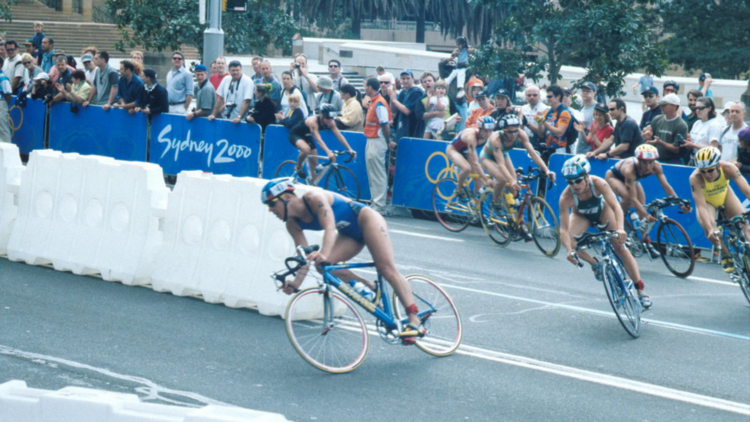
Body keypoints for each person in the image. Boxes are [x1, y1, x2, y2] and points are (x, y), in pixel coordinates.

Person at [262, 178, 427, 343]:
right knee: (322, 267)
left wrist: (324, 254)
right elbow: (303, 257)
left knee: (386, 269)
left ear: (286, 197)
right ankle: (370, 287)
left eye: (271, 204)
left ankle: (414, 320)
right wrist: (296, 283)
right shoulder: (292, 224)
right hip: (349, 235)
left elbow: (330, 227)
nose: (270, 210)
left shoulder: (314, 198)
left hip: (366, 219)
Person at [558, 155, 652, 309]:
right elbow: (563, 229)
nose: (574, 185)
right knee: (571, 240)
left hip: (603, 211)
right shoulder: (566, 197)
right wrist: (569, 250)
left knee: (620, 247)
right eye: (570, 182)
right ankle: (595, 264)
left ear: (586, 176)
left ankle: (641, 291)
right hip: (581, 215)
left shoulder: (599, 183)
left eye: (578, 180)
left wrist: (621, 229)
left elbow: (616, 207)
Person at [605, 144, 687, 259]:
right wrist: (645, 214)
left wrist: (680, 202)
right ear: (638, 161)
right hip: (615, 177)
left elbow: (666, 185)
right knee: (629, 199)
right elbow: (633, 198)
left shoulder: (657, 167)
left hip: (634, 181)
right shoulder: (630, 169)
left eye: (650, 162)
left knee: (643, 206)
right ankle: (617, 217)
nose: (648, 166)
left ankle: (647, 242)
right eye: (644, 163)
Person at [480, 114, 555, 218]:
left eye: (516, 130)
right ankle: (495, 201)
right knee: (503, 179)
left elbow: (533, 154)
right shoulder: (496, 139)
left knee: (514, 188)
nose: (514, 134)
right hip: (488, 157)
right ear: (504, 130)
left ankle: (514, 218)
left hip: (503, 154)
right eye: (510, 132)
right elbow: (501, 164)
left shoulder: (521, 134)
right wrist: (512, 180)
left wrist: (547, 170)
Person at [689, 146, 750, 273]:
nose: (707, 174)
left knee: (745, 226)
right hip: (707, 202)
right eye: (703, 171)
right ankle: (724, 252)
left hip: (725, 194)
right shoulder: (695, 178)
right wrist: (711, 228)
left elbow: (746, 191)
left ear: (717, 165)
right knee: (709, 229)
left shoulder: (728, 168)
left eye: (710, 170)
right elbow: (701, 206)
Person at [287, 104, 356, 183]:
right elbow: (318, 140)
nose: (330, 120)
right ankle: (298, 166)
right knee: (306, 149)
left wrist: (350, 149)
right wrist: (328, 152)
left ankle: (313, 185)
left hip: (307, 136)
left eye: (332, 118)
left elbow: (339, 136)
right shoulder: (313, 122)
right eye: (327, 118)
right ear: (322, 116)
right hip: (296, 134)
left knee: (314, 163)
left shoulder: (331, 122)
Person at [446, 116, 495, 198]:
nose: (488, 134)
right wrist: (486, 179)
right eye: (486, 131)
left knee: (478, 180)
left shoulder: (491, 135)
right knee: (467, 168)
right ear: (479, 129)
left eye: (490, 131)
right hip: (454, 150)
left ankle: (476, 207)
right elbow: (475, 162)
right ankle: (458, 189)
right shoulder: (471, 136)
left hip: (467, 152)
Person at [363, 78, 392, 215]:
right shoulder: (375, 102)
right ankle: (376, 201)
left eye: (365, 85)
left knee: (377, 172)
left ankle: (380, 204)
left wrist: (387, 141)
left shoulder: (379, 103)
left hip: (377, 140)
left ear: (370, 87)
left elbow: (385, 124)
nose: (364, 88)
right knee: (373, 172)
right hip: (372, 138)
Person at [641, 93, 688, 165]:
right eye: (661, 104)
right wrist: (648, 138)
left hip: (672, 161)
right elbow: (651, 141)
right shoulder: (657, 119)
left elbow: (677, 149)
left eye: (664, 105)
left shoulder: (681, 125)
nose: (661, 107)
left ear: (674, 106)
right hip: (656, 159)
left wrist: (660, 142)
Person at [532, 85, 571, 154]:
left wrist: (544, 122)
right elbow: (540, 134)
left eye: (550, 97)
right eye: (547, 97)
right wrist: (539, 122)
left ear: (558, 97)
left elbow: (560, 133)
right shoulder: (548, 112)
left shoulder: (564, 112)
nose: (548, 99)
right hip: (548, 148)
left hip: (560, 149)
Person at [684, 96, 723, 164]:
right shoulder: (697, 123)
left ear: (709, 108)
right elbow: (693, 142)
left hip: (706, 162)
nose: (697, 111)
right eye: (696, 108)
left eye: (701, 108)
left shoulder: (714, 125)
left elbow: (713, 149)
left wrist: (693, 145)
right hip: (693, 159)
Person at [389, 69, 424, 141]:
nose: (405, 80)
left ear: (413, 79)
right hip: (402, 127)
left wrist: (394, 100)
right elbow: (394, 110)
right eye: (403, 78)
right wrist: (392, 97)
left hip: (413, 128)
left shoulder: (416, 92)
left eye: (408, 78)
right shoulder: (403, 91)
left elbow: (407, 111)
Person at [0, 57, 11, 142]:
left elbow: (8, 93)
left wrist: (6, 105)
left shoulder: (3, 78)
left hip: (1, 102)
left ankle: (8, 149)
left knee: (3, 126)